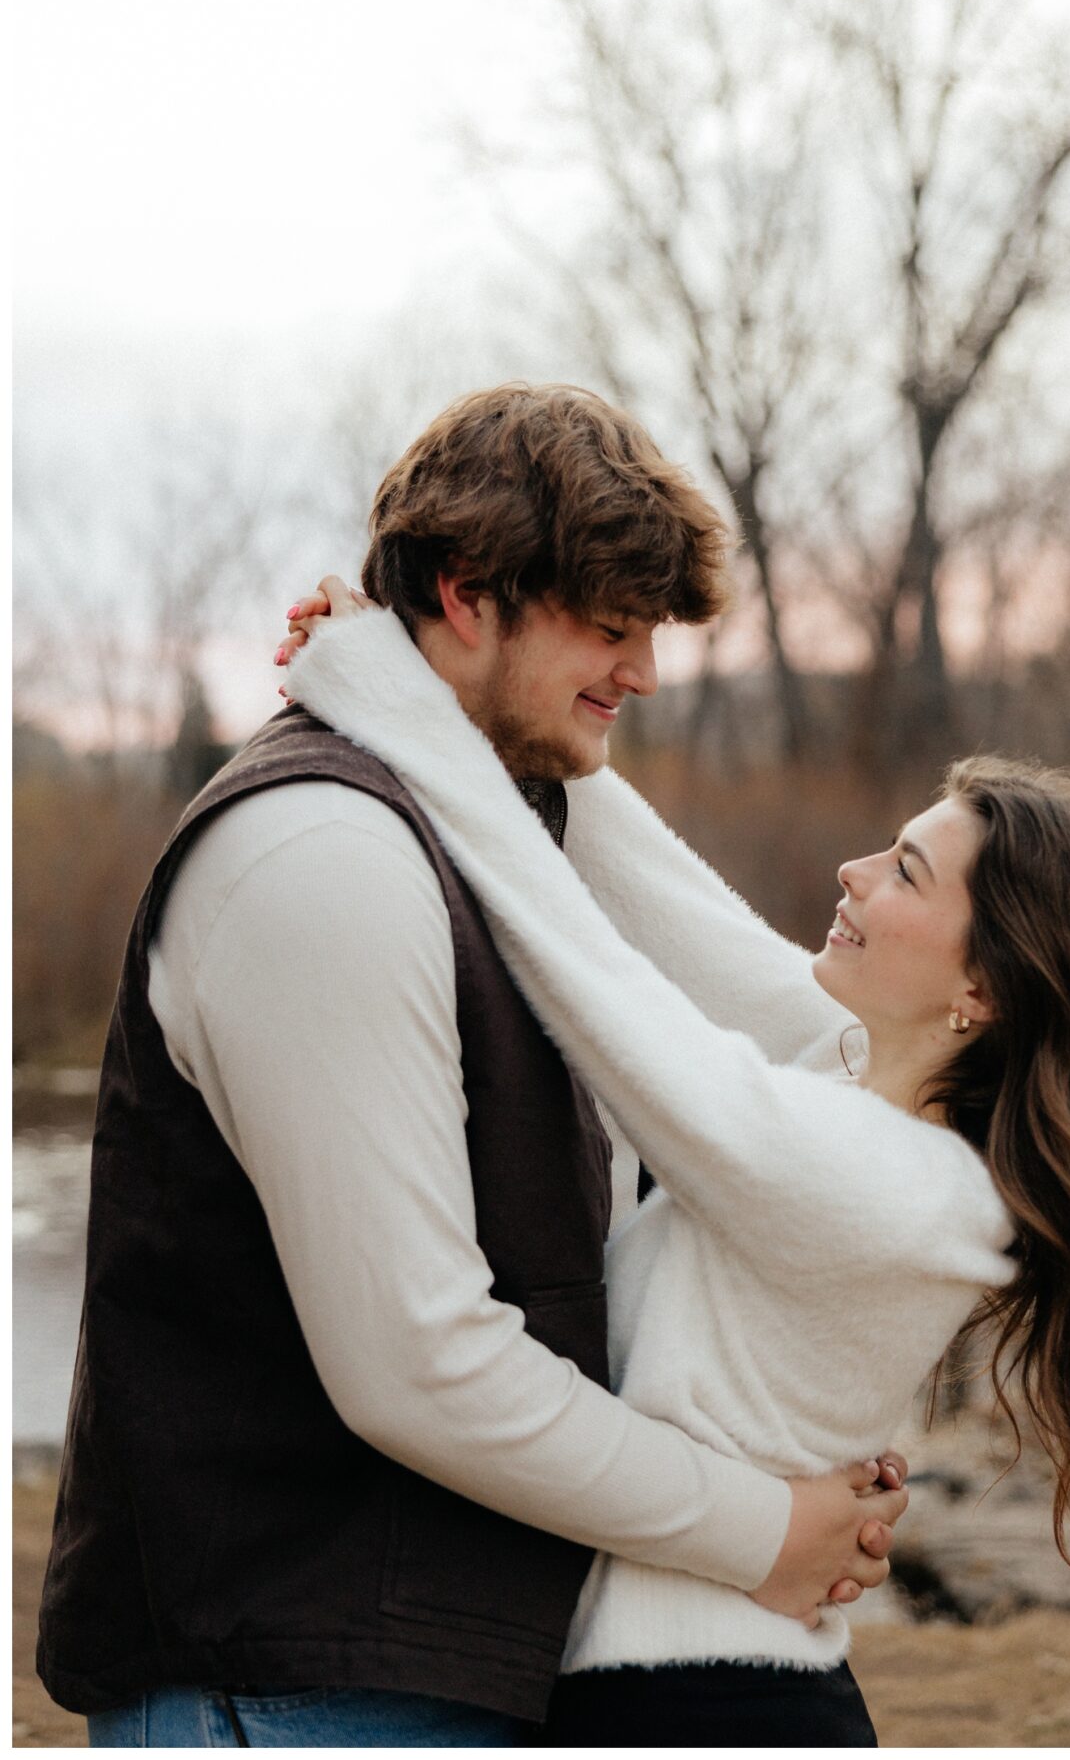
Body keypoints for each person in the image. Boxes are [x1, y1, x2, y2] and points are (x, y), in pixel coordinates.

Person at [38, 386, 908, 1747]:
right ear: (466, 594)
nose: (645, 671)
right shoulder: (323, 859)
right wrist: (761, 1533)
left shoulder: (484, 828)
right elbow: (422, 1363)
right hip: (291, 1697)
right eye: (610, 628)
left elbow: (789, 1047)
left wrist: (414, 706)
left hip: (431, 1674)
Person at [275, 575, 1070, 1745]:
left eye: (906, 873)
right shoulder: (881, 1110)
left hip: (701, 1704)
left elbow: (591, 972)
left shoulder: (884, 1184)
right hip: (680, 1692)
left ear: (982, 988)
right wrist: (484, 694)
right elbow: (670, 906)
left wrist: (386, 696)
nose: (853, 873)